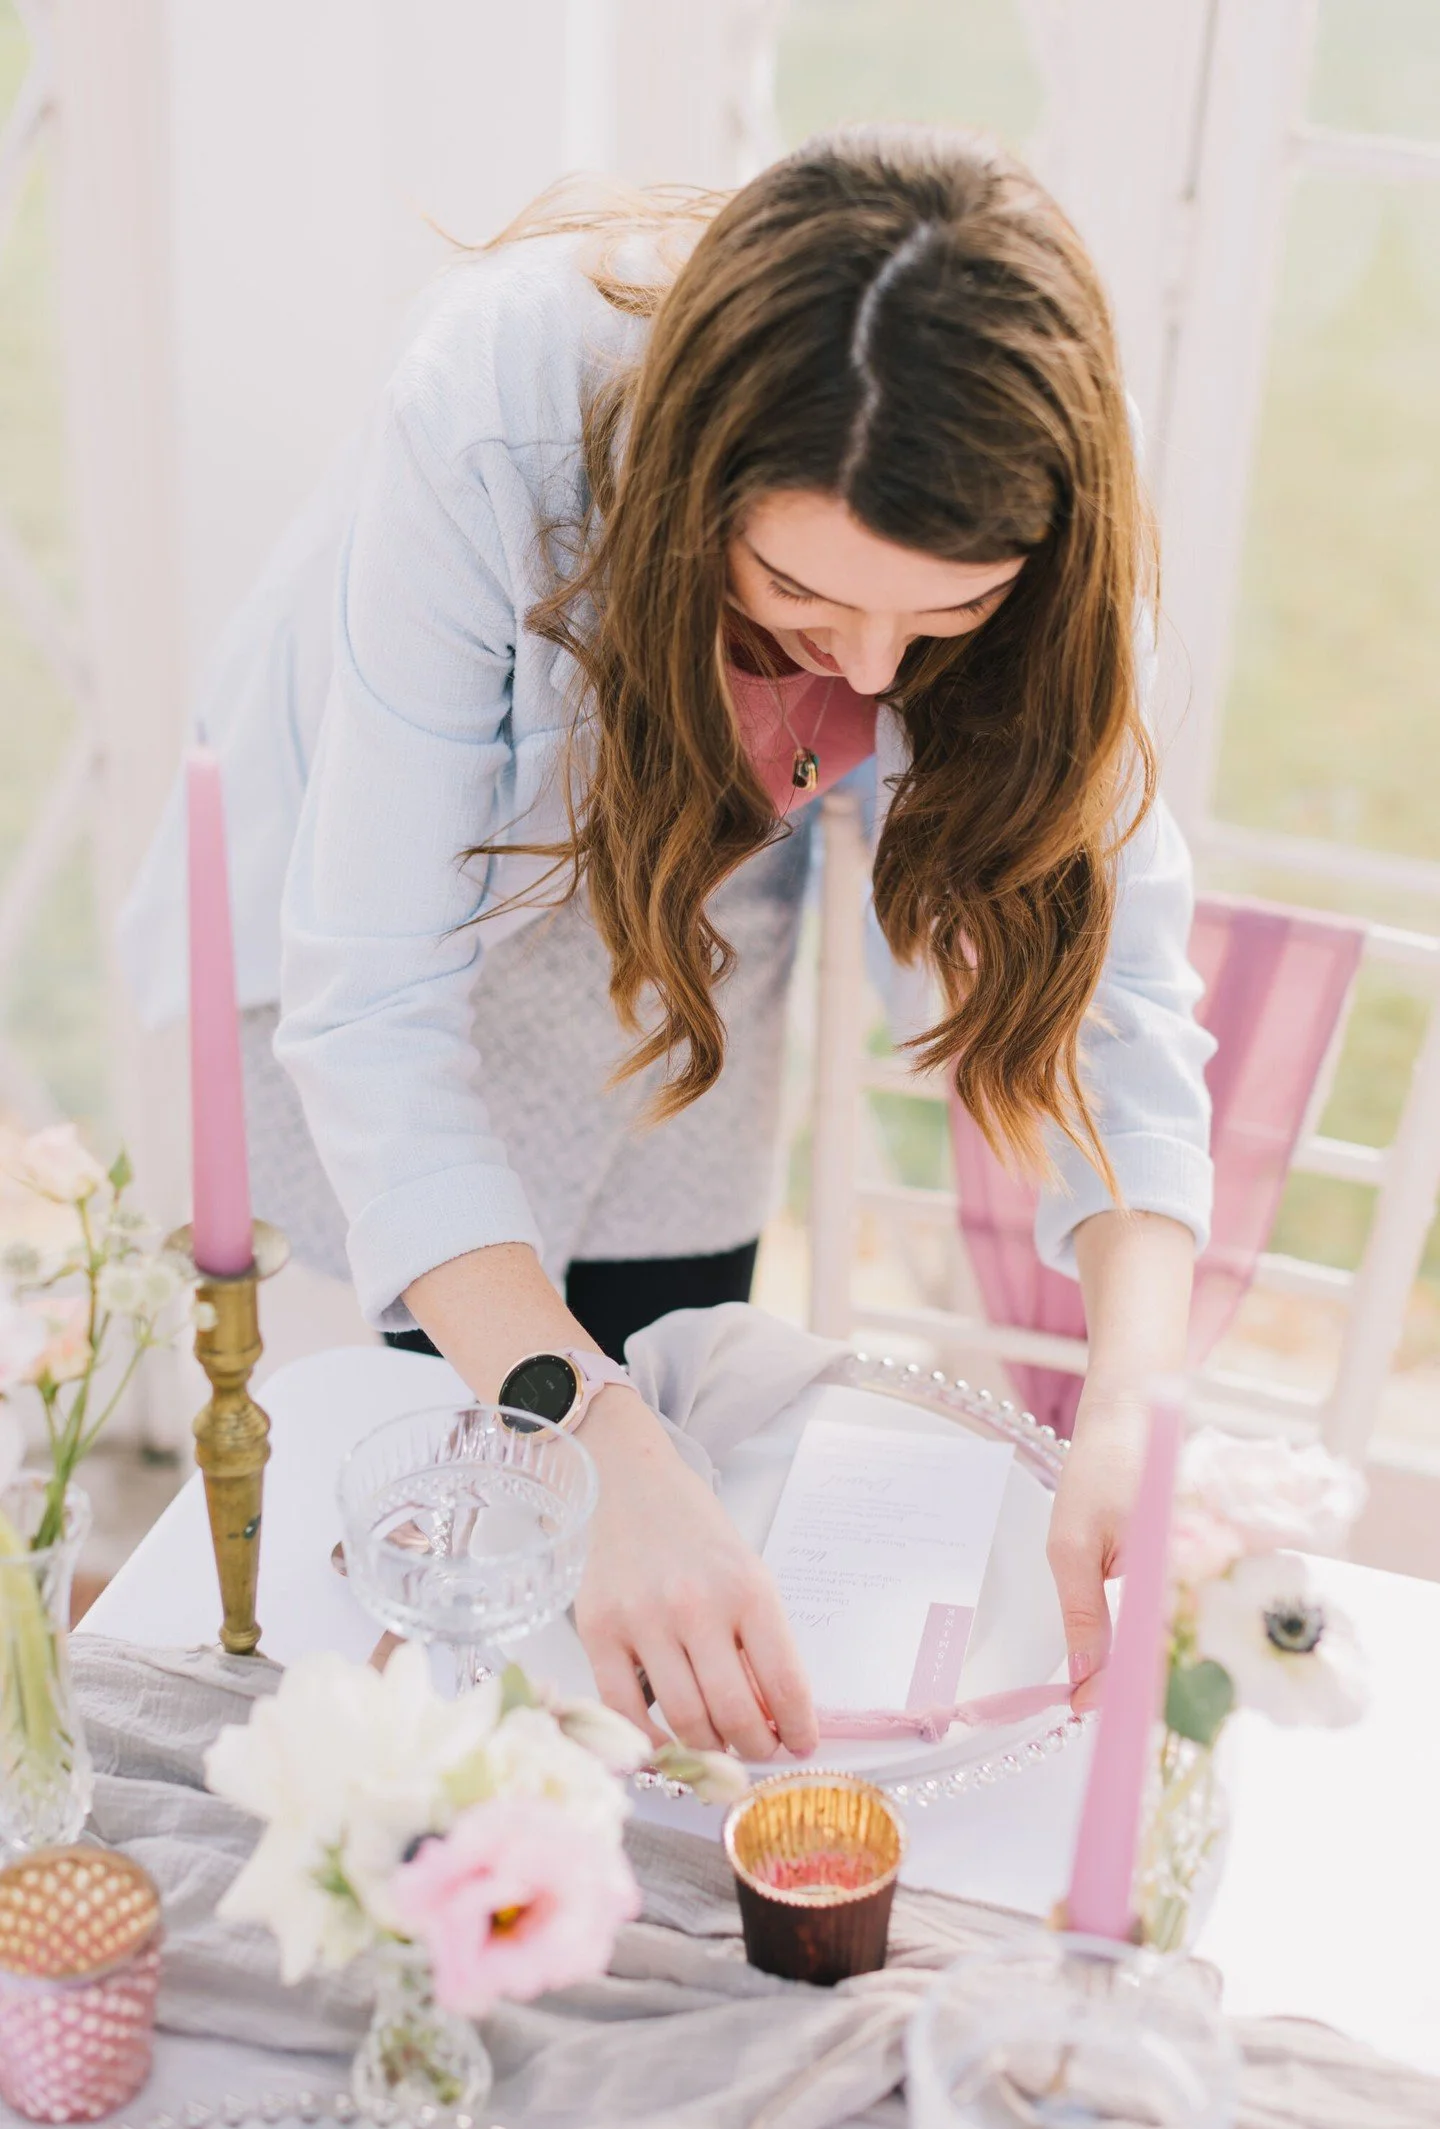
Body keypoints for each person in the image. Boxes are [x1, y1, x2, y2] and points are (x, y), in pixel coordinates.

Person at [122, 128, 1213, 1764]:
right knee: (501, 1506)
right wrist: (590, 1441)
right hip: (410, 936)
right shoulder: (496, 405)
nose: (866, 672)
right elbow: (377, 1009)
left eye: (946, 621)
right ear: (698, 478)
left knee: (678, 1436)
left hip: (686, 951)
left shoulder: (1034, 463)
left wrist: (1134, 1395)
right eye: (795, 595)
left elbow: (1106, 968)